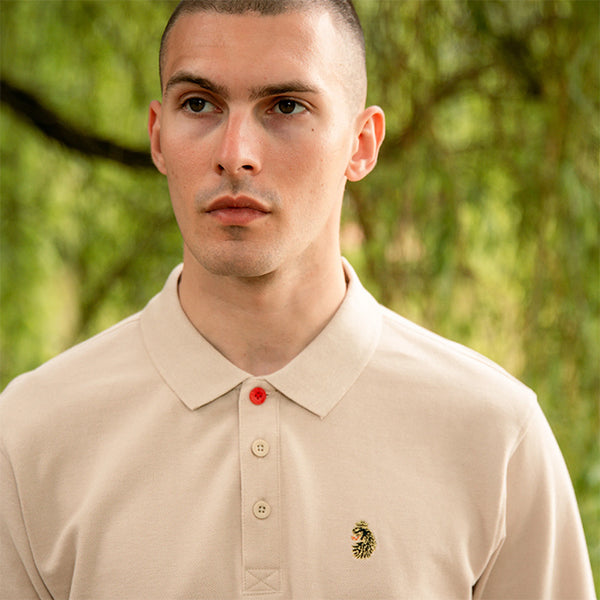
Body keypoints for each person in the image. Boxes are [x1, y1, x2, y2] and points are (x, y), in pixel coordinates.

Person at [0, 0, 595, 598]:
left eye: (286, 106)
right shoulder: (30, 435)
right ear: (158, 136)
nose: (235, 153)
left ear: (362, 144)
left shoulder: (494, 435)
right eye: (199, 104)